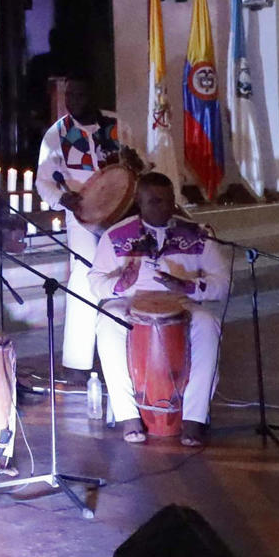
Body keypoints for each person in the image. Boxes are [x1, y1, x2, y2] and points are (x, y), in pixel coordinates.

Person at [88, 173, 228, 447]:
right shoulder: (116, 236)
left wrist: (188, 286)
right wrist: (120, 284)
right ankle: (128, 415)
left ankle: (194, 418)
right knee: (108, 321)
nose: (165, 207)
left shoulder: (197, 234)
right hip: (130, 301)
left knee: (207, 323)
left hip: (180, 300)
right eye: (155, 201)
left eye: (169, 201)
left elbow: (222, 283)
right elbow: (95, 282)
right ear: (139, 202)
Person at [34, 77, 142, 374]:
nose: (73, 100)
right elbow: (43, 181)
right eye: (70, 95)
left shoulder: (118, 125)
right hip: (81, 212)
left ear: (94, 95)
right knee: (83, 275)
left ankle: (129, 352)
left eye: (80, 93)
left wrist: (137, 164)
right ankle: (78, 362)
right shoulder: (57, 133)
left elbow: (140, 163)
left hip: (124, 208)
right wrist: (61, 198)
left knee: (127, 271)